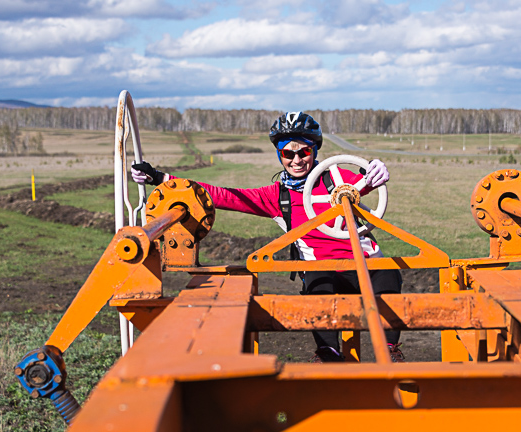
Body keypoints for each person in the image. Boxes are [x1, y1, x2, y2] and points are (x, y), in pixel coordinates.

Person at [131, 111, 404, 363]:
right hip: (321, 269)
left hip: (364, 263)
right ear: (279, 156)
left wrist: (375, 169)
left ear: (315, 150)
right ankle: (328, 355)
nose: (296, 160)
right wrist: (159, 177)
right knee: (318, 285)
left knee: (389, 274)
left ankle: (390, 351)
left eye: (304, 152)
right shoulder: (276, 196)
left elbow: (367, 179)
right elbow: (221, 195)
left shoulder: (336, 177)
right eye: (288, 153)